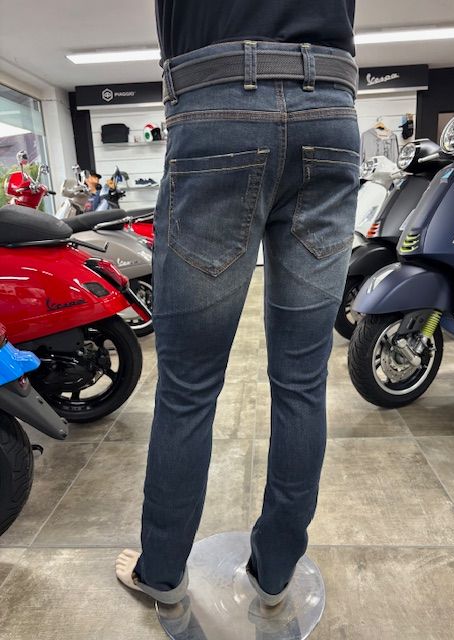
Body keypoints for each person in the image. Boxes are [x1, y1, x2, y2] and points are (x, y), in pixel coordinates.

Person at [116, 0, 359, 609]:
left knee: (188, 387)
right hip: (331, 107)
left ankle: (162, 573)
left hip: (217, 103)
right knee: (303, 382)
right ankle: (275, 574)